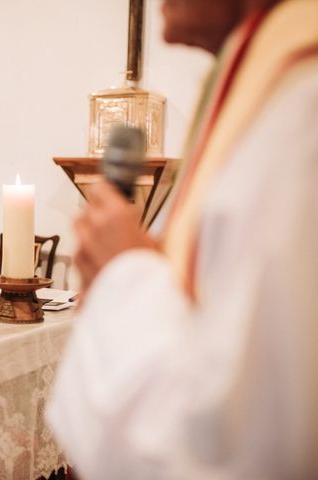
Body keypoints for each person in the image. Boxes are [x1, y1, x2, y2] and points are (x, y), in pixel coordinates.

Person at [46, 0, 318, 478]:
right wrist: (160, 263)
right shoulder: (270, 77)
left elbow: (233, 449)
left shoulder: (304, 99)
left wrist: (124, 273)